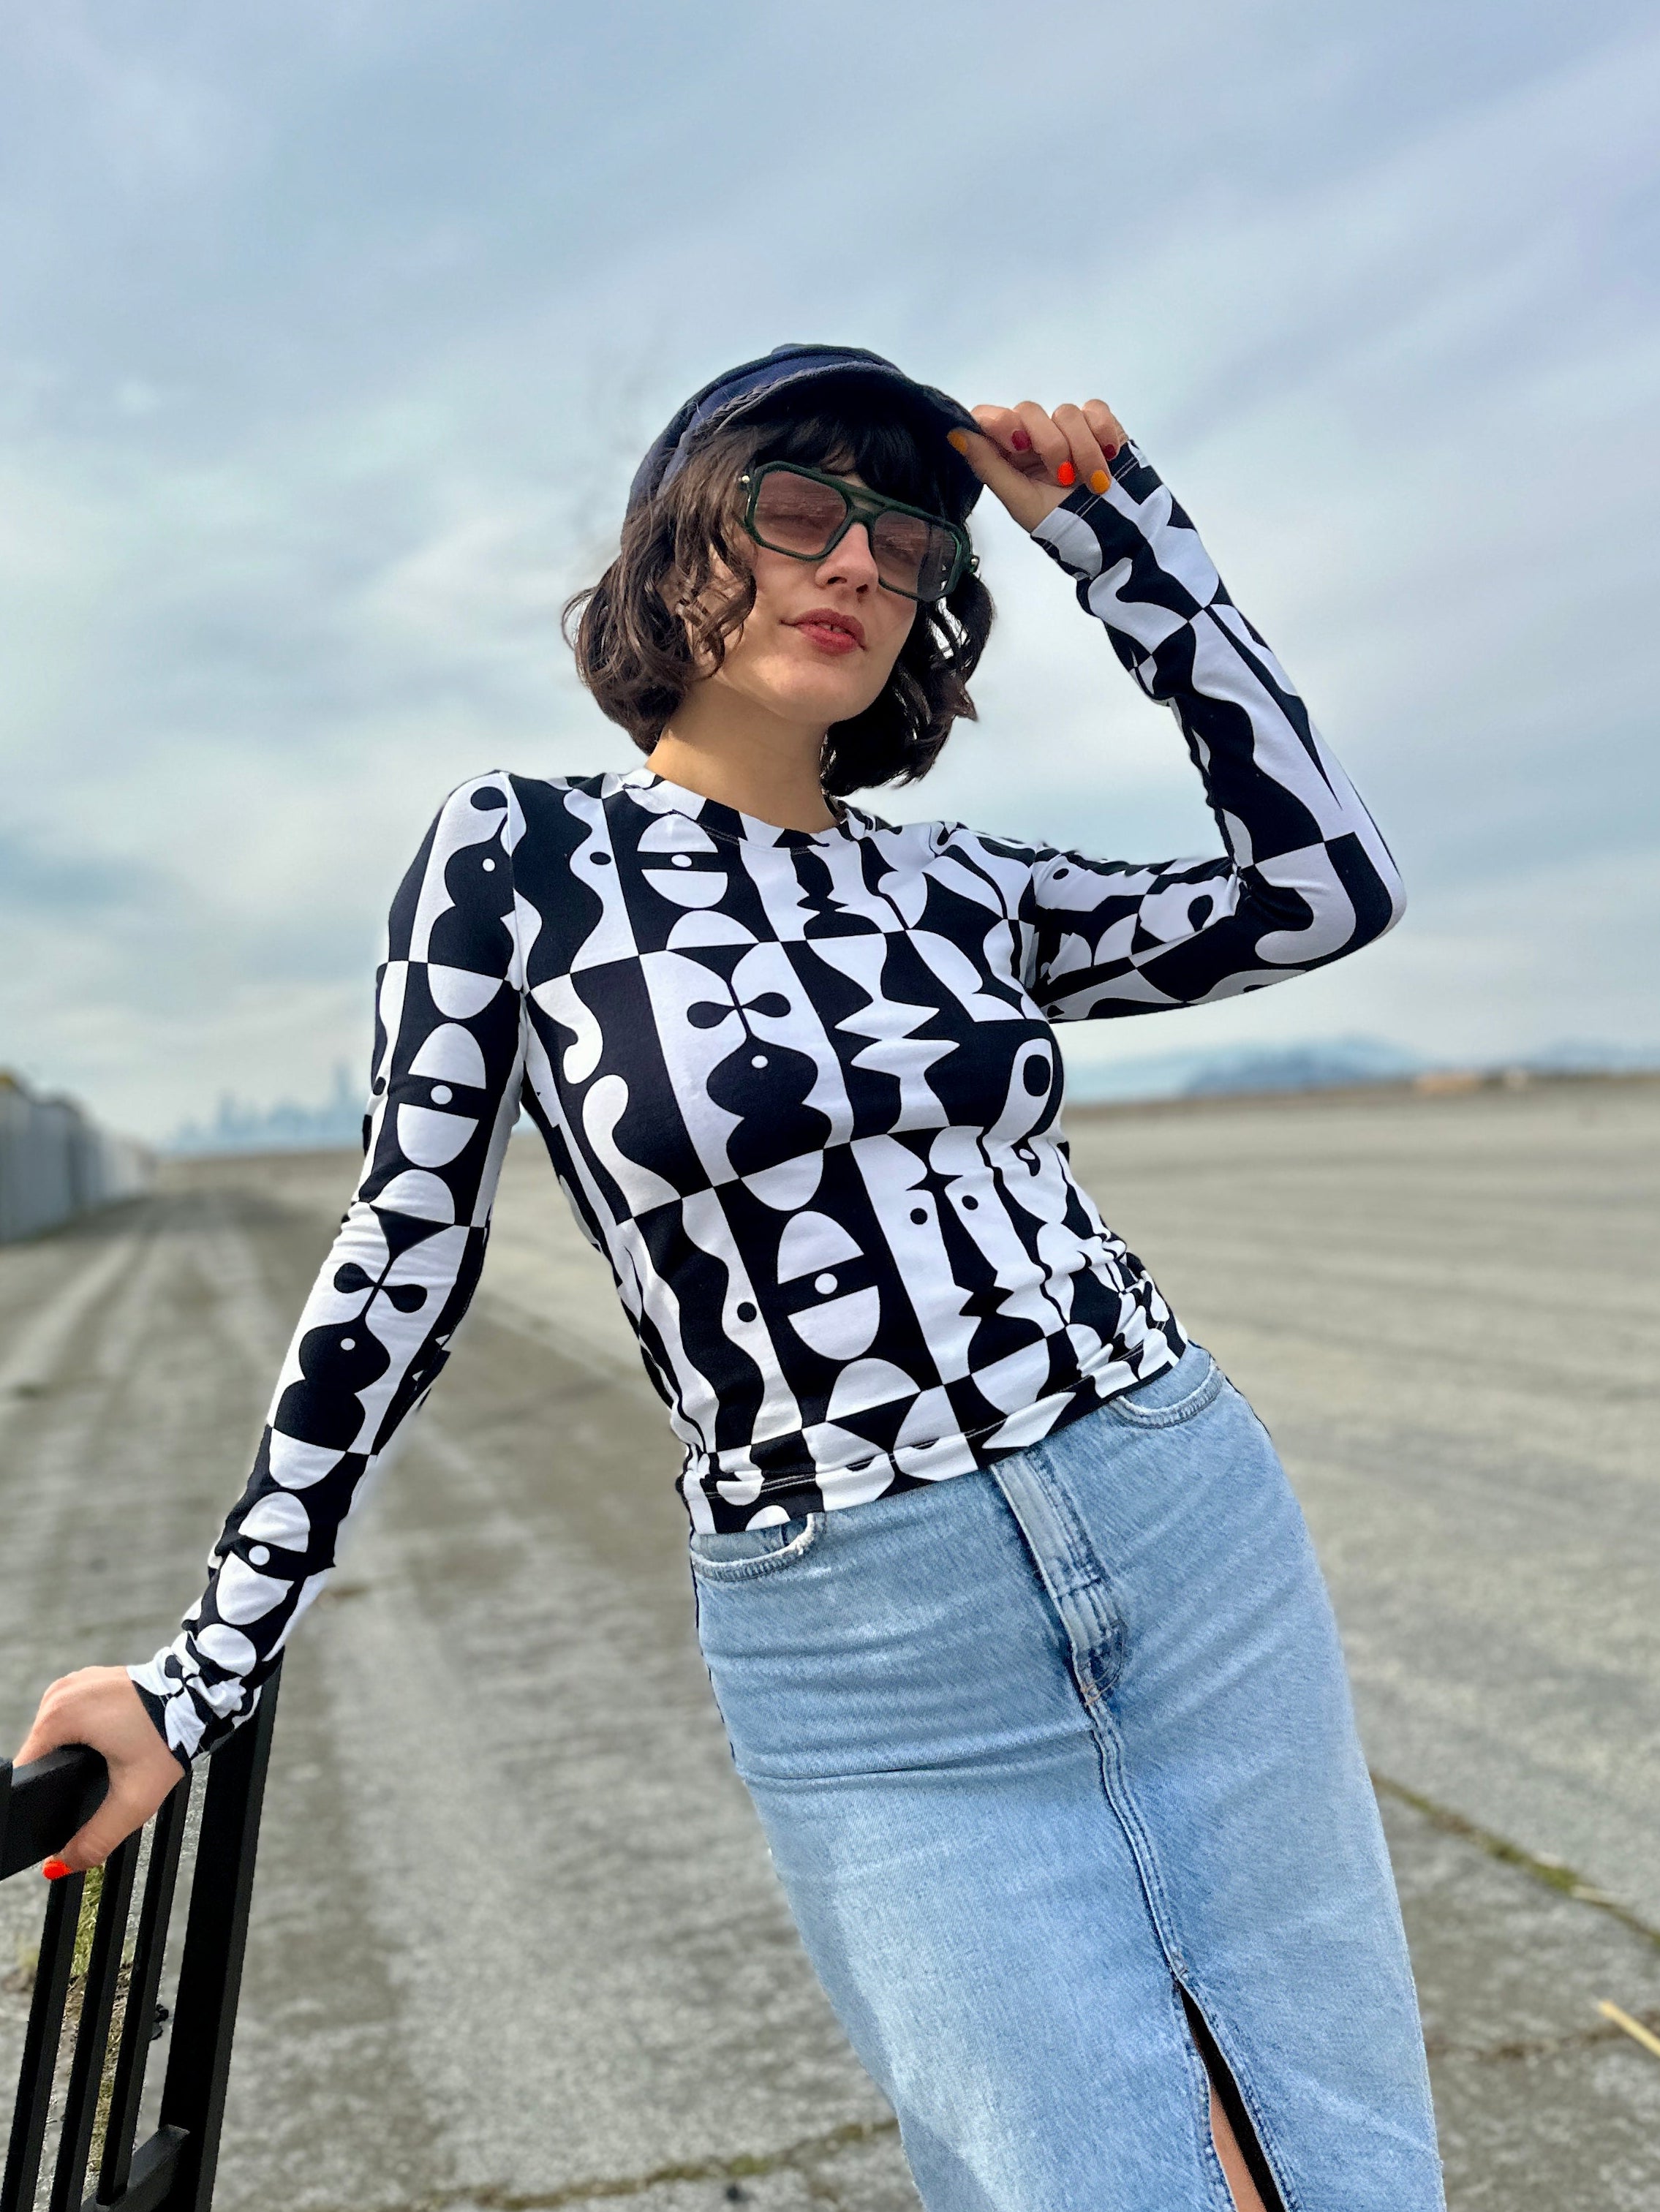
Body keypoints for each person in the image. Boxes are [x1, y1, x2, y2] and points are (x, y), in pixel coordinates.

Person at [16, 344, 1444, 2211]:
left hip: (1182, 1521)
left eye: (905, 540)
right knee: (1078, 2173)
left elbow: (1325, 885)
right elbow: (403, 1251)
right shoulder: (521, 856)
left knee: (1341, 2154)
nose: (854, 560)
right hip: (866, 1638)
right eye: (795, 510)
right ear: (677, 545)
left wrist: (1119, 539)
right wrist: (208, 1663)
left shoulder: (956, 886)